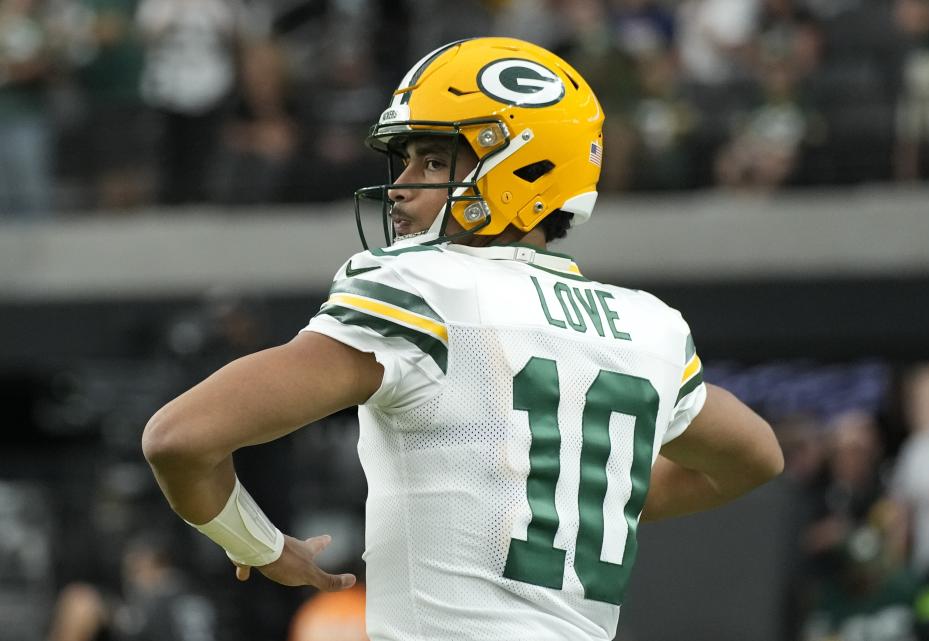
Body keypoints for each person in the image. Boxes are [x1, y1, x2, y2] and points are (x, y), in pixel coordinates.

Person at [142, 37, 784, 641]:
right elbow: (756, 456)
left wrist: (259, 546)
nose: (400, 185)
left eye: (434, 160)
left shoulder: (426, 287)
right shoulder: (649, 326)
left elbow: (179, 439)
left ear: (523, 166)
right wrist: (586, 502)